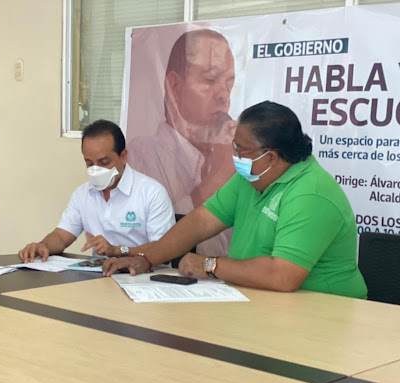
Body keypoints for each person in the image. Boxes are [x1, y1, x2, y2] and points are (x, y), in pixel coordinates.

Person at [103, 101, 367, 299]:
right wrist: (147, 258)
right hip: (260, 300)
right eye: (235, 148)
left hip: (324, 309)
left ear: (271, 156)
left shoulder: (310, 193)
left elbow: (282, 276)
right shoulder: (250, 178)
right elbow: (200, 222)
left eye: (242, 151)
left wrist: (210, 265)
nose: (236, 157)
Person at [127, 28, 236, 257]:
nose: (223, 95)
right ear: (174, 86)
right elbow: (154, 238)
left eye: (229, 83)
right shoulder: (140, 155)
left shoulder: (231, 156)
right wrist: (216, 179)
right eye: (210, 80)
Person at [18, 119, 175, 263]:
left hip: (143, 276)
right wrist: (43, 245)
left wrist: (118, 251)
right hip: (100, 275)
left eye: (104, 162)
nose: (96, 169)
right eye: (89, 163)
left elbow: (164, 249)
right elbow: (61, 235)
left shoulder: (152, 193)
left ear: (123, 156)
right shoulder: (82, 194)